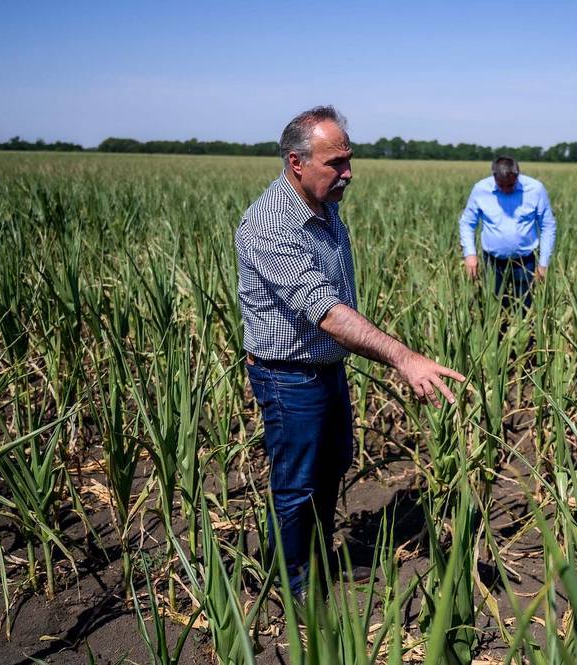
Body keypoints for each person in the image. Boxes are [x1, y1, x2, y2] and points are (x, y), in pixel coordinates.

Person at [235, 106, 465, 597]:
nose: (348, 173)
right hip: (288, 377)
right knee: (297, 484)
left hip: (326, 367)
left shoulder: (325, 207)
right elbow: (328, 312)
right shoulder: (270, 225)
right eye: (335, 163)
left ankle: (314, 560)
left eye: (348, 159)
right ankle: (292, 582)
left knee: (333, 463)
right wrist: (405, 357)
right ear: (297, 163)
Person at [458, 156, 557, 309]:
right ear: (494, 176)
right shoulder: (480, 189)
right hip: (493, 261)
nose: (506, 190)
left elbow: (547, 226)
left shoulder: (535, 189)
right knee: (494, 309)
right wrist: (470, 254)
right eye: (501, 185)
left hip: (525, 262)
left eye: (510, 185)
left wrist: (543, 263)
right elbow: (467, 223)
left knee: (525, 309)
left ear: (518, 175)